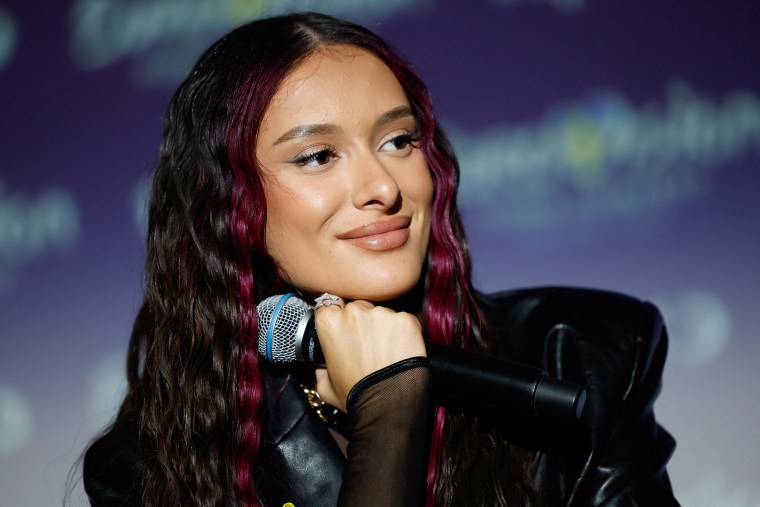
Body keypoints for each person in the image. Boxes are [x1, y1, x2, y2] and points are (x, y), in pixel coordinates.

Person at [82, 11, 679, 507]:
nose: (383, 187)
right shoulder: (145, 469)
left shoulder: (581, 353)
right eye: (317, 156)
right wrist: (388, 409)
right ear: (227, 205)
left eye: (398, 141)